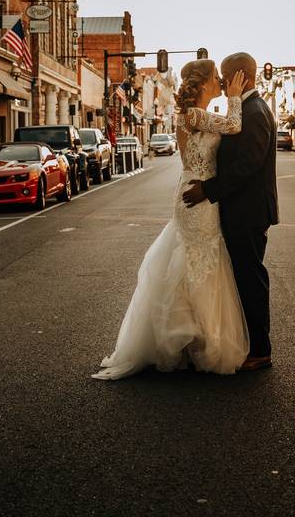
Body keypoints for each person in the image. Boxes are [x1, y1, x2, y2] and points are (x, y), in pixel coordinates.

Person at [92, 60, 249, 380]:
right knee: (198, 263)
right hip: (197, 197)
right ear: (203, 82)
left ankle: (191, 336)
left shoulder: (192, 115)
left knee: (193, 263)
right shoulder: (192, 115)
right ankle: (193, 339)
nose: (220, 81)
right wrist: (234, 96)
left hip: (195, 192)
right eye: (215, 78)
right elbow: (234, 125)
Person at [182, 53, 278, 371]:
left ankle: (261, 350)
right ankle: (244, 342)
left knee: (250, 278)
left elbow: (247, 165)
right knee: (237, 276)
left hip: (248, 212)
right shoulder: (244, 108)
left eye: (225, 75)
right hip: (233, 209)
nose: (222, 82)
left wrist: (208, 191)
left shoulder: (254, 111)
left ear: (239, 76)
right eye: (218, 77)